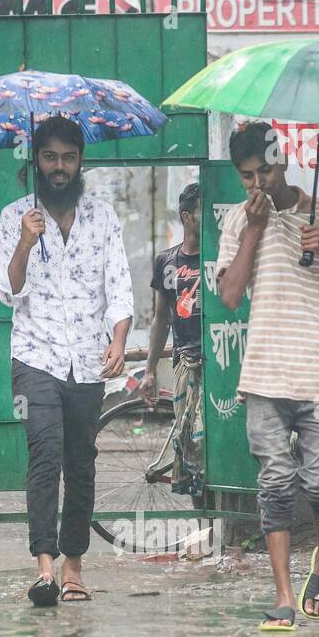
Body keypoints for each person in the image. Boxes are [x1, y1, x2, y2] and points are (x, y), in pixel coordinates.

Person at [215, 121, 319, 632]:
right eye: (247, 176)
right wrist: (255, 229)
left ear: (286, 163)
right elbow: (231, 296)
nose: (258, 183)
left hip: (318, 373)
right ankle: (282, 595)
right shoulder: (239, 220)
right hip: (263, 374)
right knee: (275, 484)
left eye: (267, 170)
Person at [0, 115, 134, 607]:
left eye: (68, 158)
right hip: (34, 355)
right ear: (37, 160)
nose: (59, 167)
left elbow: (119, 287)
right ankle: (45, 569)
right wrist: (26, 243)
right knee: (45, 453)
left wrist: (118, 341)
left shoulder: (102, 216)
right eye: (50, 157)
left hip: (88, 361)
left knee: (82, 463)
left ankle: (75, 567)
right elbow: (8, 292)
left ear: (80, 163)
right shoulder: (17, 217)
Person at [140, 182, 203, 496]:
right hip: (184, 364)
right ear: (187, 217)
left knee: (209, 443)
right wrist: (150, 370)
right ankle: (200, 529)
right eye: (204, 212)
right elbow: (161, 318)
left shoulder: (221, 258)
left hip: (216, 365)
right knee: (189, 441)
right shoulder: (167, 261)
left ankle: (219, 523)